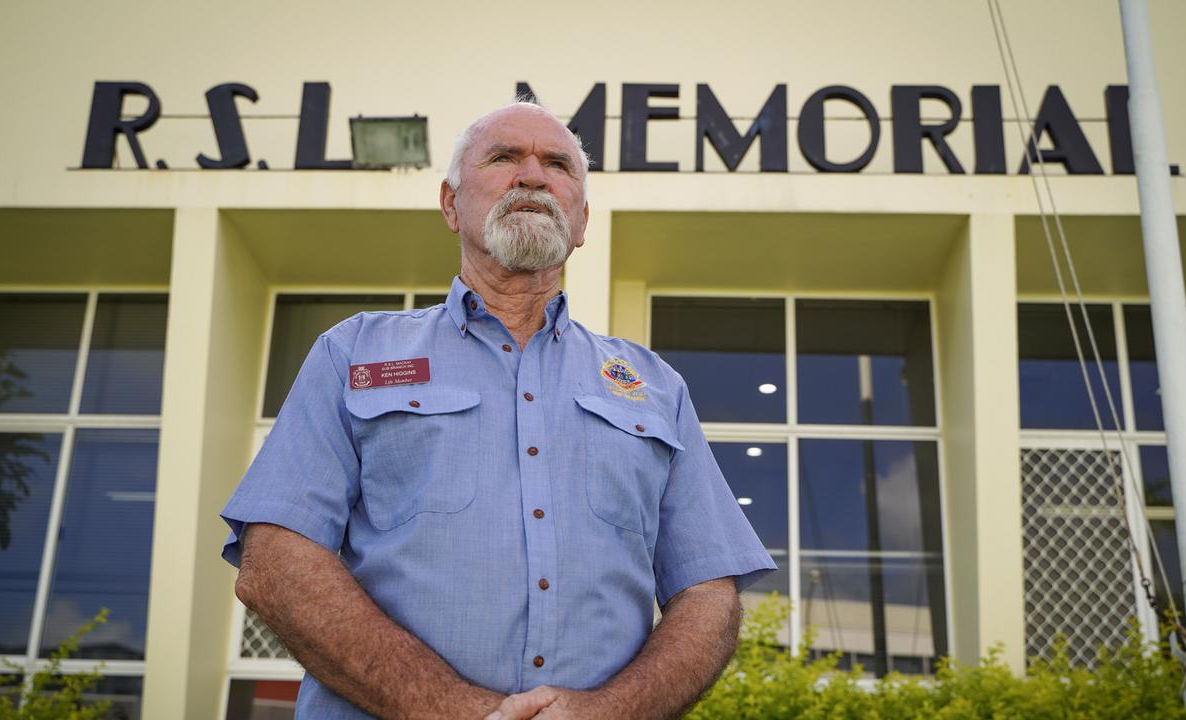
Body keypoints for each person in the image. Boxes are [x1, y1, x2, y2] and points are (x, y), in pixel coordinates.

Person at [221, 101, 775, 719]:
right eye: (505, 157)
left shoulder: (656, 388)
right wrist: (458, 710)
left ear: (582, 219)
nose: (533, 175)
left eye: (558, 164)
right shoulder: (352, 355)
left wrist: (610, 712)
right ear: (451, 205)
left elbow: (708, 593)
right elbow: (274, 560)